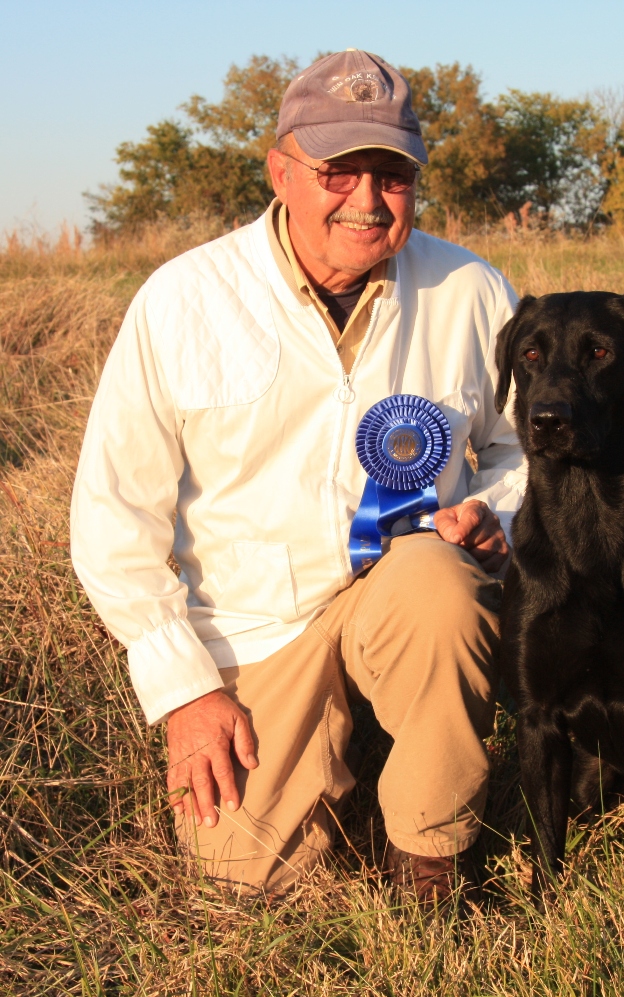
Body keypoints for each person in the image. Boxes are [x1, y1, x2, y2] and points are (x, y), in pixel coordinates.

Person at [70, 49, 525, 901]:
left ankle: (430, 853)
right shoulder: (182, 300)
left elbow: (519, 449)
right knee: (245, 880)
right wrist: (185, 692)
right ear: (280, 170)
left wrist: (496, 511)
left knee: (438, 587)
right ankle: (334, 749)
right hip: (252, 626)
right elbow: (112, 522)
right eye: (337, 170)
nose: (365, 199)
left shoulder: (471, 289)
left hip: (405, 588)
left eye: (390, 175)